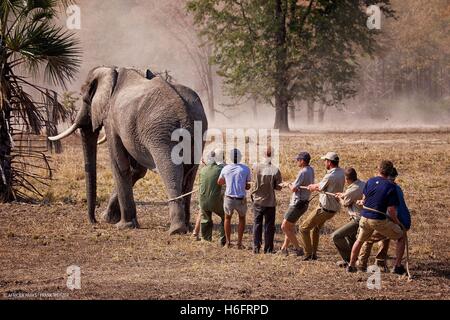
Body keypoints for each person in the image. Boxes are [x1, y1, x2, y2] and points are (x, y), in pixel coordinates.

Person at [347, 160, 407, 274]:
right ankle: (397, 266)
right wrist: (397, 223)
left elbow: (364, 200)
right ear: (389, 173)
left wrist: (363, 202)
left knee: (359, 241)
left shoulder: (370, 181)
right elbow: (391, 210)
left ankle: (351, 265)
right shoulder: (391, 187)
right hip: (378, 220)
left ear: (378, 169)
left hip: (364, 217)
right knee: (401, 237)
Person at [301, 152, 345, 261]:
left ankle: (308, 254)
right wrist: (315, 185)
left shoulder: (330, 175)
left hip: (324, 209)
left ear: (329, 162)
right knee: (315, 229)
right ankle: (314, 254)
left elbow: (319, 187)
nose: (324, 162)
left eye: (325, 160)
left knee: (303, 228)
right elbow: (323, 185)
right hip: (333, 209)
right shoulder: (341, 172)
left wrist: (312, 186)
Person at [279, 152, 315, 256]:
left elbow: (294, 189)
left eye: (298, 160)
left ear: (303, 161)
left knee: (284, 227)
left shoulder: (302, 172)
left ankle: (298, 249)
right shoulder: (311, 169)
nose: (297, 161)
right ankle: (283, 249)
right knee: (290, 226)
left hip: (297, 204)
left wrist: (288, 184)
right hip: (304, 203)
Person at [251, 148, 283, 254]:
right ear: (273, 156)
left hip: (257, 200)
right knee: (269, 226)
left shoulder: (255, 166)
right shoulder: (275, 169)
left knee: (257, 224)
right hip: (269, 202)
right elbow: (278, 187)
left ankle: (256, 247)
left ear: (262, 155)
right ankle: (268, 249)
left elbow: (252, 180)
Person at [331, 167, 365, 267]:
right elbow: (352, 194)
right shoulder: (362, 184)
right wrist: (343, 194)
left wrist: (338, 198)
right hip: (363, 217)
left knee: (336, 236)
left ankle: (348, 260)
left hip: (358, 219)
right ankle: (355, 260)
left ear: (346, 179)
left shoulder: (352, 189)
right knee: (351, 237)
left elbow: (345, 203)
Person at [218, 149, 251, 249]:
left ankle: (228, 242)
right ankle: (239, 243)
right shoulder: (245, 169)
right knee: (242, 218)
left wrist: (228, 182)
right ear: (240, 158)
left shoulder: (225, 168)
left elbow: (219, 182)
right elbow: (248, 186)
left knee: (227, 218)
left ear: (231, 158)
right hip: (240, 198)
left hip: (229, 198)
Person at [198, 148, 226, 246]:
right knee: (225, 216)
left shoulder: (203, 169)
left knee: (205, 218)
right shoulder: (221, 169)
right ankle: (223, 240)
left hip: (202, 200)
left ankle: (205, 239)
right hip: (215, 200)